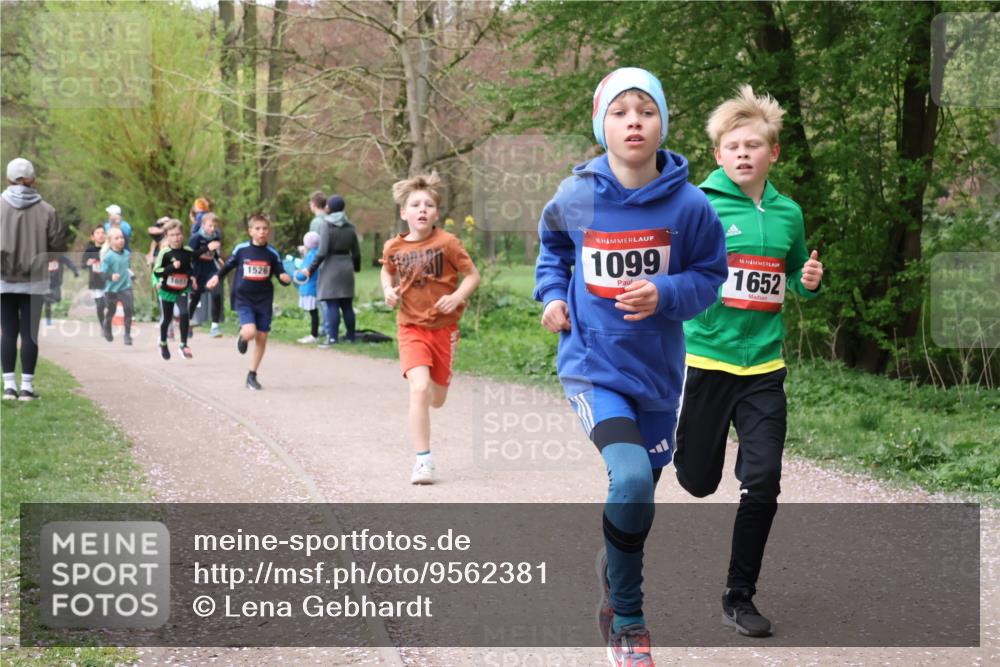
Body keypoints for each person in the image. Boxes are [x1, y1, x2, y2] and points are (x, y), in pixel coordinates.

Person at [533, 68, 727, 665]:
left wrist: (666, 293)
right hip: (593, 367)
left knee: (637, 504)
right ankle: (630, 623)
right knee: (633, 479)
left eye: (646, 109)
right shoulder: (575, 196)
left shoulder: (690, 206)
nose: (634, 120)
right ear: (602, 125)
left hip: (658, 378)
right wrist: (554, 297)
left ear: (662, 122)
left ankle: (611, 580)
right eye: (620, 112)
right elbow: (554, 248)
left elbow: (710, 277)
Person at [674, 85, 824, 638]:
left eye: (753, 145)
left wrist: (806, 283)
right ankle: (690, 448)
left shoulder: (789, 212)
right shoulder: (698, 206)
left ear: (773, 153)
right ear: (718, 154)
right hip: (706, 360)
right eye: (732, 146)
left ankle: (739, 595)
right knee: (695, 480)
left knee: (762, 482)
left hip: (764, 369)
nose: (743, 154)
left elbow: (792, 276)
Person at [380, 173, 481, 485]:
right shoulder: (394, 246)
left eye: (428, 205)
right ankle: (423, 461)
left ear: (436, 214)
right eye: (415, 204)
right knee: (419, 388)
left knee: (437, 398)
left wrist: (457, 296)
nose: (422, 209)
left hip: (443, 330)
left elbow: (472, 276)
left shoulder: (448, 243)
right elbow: (387, 271)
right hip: (410, 327)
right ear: (404, 213)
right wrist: (389, 290)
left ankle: (435, 392)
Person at [1, 157, 66, 401]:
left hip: (3, 280)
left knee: (7, 332)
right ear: (33, 179)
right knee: (29, 333)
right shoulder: (47, 210)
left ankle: (9, 386)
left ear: (8, 179)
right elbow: (57, 245)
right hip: (35, 280)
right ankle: (27, 387)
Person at [206, 213, 292, 390]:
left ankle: (252, 375)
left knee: (262, 337)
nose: (262, 232)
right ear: (250, 231)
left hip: (264, 300)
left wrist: (285, 278)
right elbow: (228, 266)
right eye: (258, 229)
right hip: (244, 298)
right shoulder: (242, 249)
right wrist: (216, 277)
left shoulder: (272, 253)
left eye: (265, 229)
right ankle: (243, 336)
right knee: (250, 332)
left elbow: (281, 274)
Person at [302, 194, 361, 347]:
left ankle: (332, 338)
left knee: (332, 304)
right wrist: (356, 266)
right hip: (346, 266)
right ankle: (350, 337)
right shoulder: (350, 226)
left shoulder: (326, 225)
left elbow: (322, 251)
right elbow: (356, 251)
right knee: (347, 305)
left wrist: (310, 269)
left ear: (330, 207)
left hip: (331, 267)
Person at [153, 219, 196, 360]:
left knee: (184, 313)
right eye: (172, 235)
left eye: (178, 234)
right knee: (167, 318)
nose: (176, 237)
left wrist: (193, 278)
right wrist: (171, 268)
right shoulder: (164, 253)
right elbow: (157, 271)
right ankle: (163, 342)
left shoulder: (188, 251)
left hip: (182, 288)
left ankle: (184, 345)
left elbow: (191, 269)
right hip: (167, 290)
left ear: (182, 235)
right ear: (166, 236)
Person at [187, 211, 224, 338]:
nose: (212, 229)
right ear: (203, 225)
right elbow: (190, 255)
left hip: (210, 268)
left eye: (214, 226)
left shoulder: (216, 236)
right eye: (210, 226)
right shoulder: (196, 238)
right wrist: (207, 248)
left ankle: (214, 326)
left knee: (217, 292)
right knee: (195, 297)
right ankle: (187, 322)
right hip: (197, 269)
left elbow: (215, 250)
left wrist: (218, 258)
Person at [100, 227, 135, 346]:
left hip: (126, 287)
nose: (121, 240)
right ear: (110, 241)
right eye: (117, 238)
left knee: (129, 310)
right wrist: (111, 277)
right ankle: (107, 325)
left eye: (122, 237)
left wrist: (132, 275)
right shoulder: (108, 256)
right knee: (111, 311)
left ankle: (127, 335)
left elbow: (127, 268)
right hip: (112, 289)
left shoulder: (127, 254)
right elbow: (103, 274)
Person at [294, 231, 321, 344]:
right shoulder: (319, 253)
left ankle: (314, 335)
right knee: (315, 312)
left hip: (309, 288)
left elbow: (302, 273)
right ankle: (316, 333)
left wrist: (295, 273)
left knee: (313, 312)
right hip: (317, 286)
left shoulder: (310, 256)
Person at [43, 254, 79, 325]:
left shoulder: (60, 256)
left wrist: (75, 271)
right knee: (47, 302)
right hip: (45, 282)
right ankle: (48, 319)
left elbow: (69, 262)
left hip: (56, 283)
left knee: (57, 298)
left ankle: (45, 299)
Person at [83, 226, 108, 328]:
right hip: (95, 282)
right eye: (98, 233)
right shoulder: (90, 250)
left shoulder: (110, 249)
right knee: (100, 304)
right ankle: (103, 325)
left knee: (109, 303)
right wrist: (88, 262)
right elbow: (82, 265)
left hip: (108, 281)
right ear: (92, 237)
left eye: (103, 232)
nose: (101, 235)